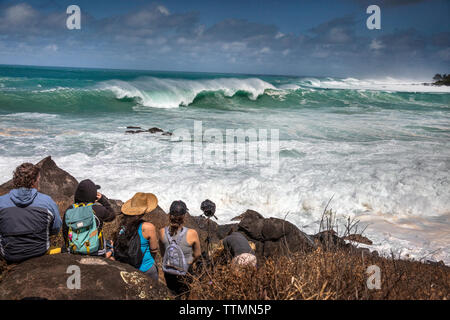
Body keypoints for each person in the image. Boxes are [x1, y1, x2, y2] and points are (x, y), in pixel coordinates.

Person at [0, 163, 61, 263]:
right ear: (33, 182)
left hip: (9, 255)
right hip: (40, 252)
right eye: (38, 180)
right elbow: (56, 228)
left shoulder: (1, 202)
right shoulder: (47, 201)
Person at [62, 179, 116, 256]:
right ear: (93, 195)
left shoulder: (70, 210)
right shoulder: (97, 209)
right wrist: (103, 200)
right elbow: (112, 215)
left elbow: (65, 231)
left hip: (73, 250)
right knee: (110, 246)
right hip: (96, 252)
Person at [114, 192, 159, 281]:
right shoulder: (148, 227)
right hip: (146, 269)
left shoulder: (122, 225)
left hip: (126, 267)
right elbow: (154, 249)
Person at [159, 200, 201, 297]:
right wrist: (188, 263)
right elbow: (197, 254)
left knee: (172, 294)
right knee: (185, 294)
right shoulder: (192, 233)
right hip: (185, 272)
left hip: (169, 271)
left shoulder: (162, 232)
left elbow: (162, 253)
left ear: (169, 215)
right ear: (185, 216)